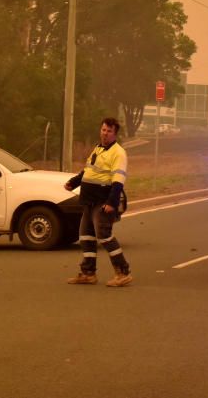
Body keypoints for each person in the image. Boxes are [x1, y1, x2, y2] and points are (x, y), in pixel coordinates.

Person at [64, 117, 132, 287]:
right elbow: (88, 171)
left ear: (115, 134)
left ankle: (123, 272)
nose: (105, 133)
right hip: (89, 200)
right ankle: (88, 273)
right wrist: (74, 182)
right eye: (103, 130)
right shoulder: (99, 148)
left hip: (103, 201)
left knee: (104, 236)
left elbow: (118, 181)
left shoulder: (119, 153)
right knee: (85, 235)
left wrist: (111, 202)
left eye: (109, 131)